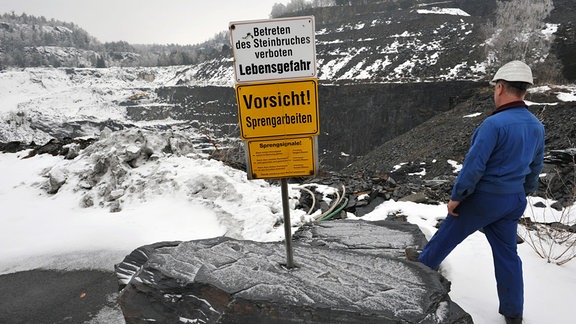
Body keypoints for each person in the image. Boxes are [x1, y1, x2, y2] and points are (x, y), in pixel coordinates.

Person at [412, 61, 545, 324]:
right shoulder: (535, 125)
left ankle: (415, 282)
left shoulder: (493, 125)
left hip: (483, 199)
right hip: (512, 200)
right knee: (508, 257)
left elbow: (474, 167)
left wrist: (457, 197)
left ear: (500, 87)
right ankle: (513, 313)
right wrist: (522, 194)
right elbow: (535, 167)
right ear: (524, 92)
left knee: (443, 240)